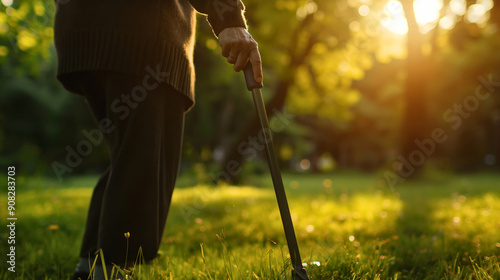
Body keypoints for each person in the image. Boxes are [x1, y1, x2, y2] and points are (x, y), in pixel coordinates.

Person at [53, 0, 262, 279]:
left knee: (129, 154)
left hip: (81, 27)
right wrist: (229, 18)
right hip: (144, 31)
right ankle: (110, 270)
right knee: (146, 159)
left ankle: (91, 265)